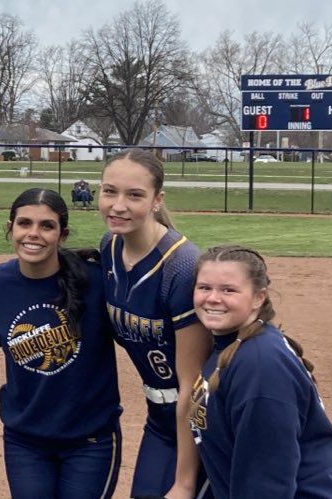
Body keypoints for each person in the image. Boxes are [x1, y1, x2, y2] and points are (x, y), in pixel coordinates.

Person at [0, 188, 122, 498]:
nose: (34, 234)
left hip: (89, 439)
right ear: (10, 227)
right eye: (24, 223)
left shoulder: (94, 281)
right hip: (25, 440)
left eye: (46, 225)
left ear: (62, 233)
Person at [188, 245, 332, 498]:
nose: (213, 298)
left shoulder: (259, 367)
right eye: (205, 287)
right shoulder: (235, 344)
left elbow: (267, 482)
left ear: (259, 297)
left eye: (228, 290)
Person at [96, 149, 210, 498]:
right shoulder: (110, 248)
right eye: (109, 191)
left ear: (157, 200)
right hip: (159, 418)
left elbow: (192, 387)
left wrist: (184, 481)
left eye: (134, 195)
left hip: (205, 423)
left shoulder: (180, 268)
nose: (118, 205)